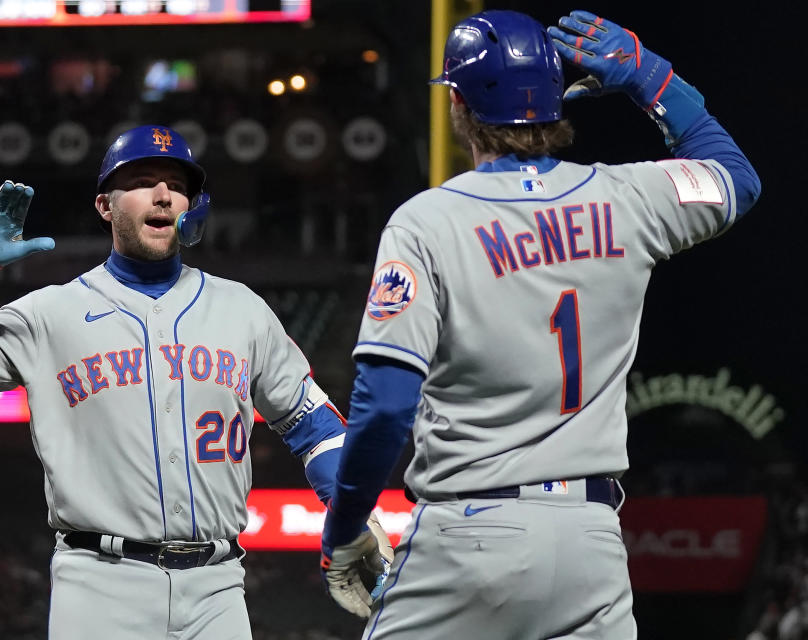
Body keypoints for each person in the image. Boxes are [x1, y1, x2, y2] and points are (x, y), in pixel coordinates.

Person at [318, 9, 760, 639]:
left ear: (461, 107)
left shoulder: (427, 222)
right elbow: (736, 176)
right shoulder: (627, 199)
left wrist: (343, 530)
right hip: (590, 543)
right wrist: (652, 79)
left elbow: (387, 403)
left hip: (468, 535)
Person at [0, 124, 392, 639]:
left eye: (177, 183)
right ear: (105, 206)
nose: (164, 194)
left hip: (219, 587)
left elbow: (314, 426)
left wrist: (353, 514)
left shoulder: (242, 310)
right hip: (98, 585)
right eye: (143, 180)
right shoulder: (52, 312)